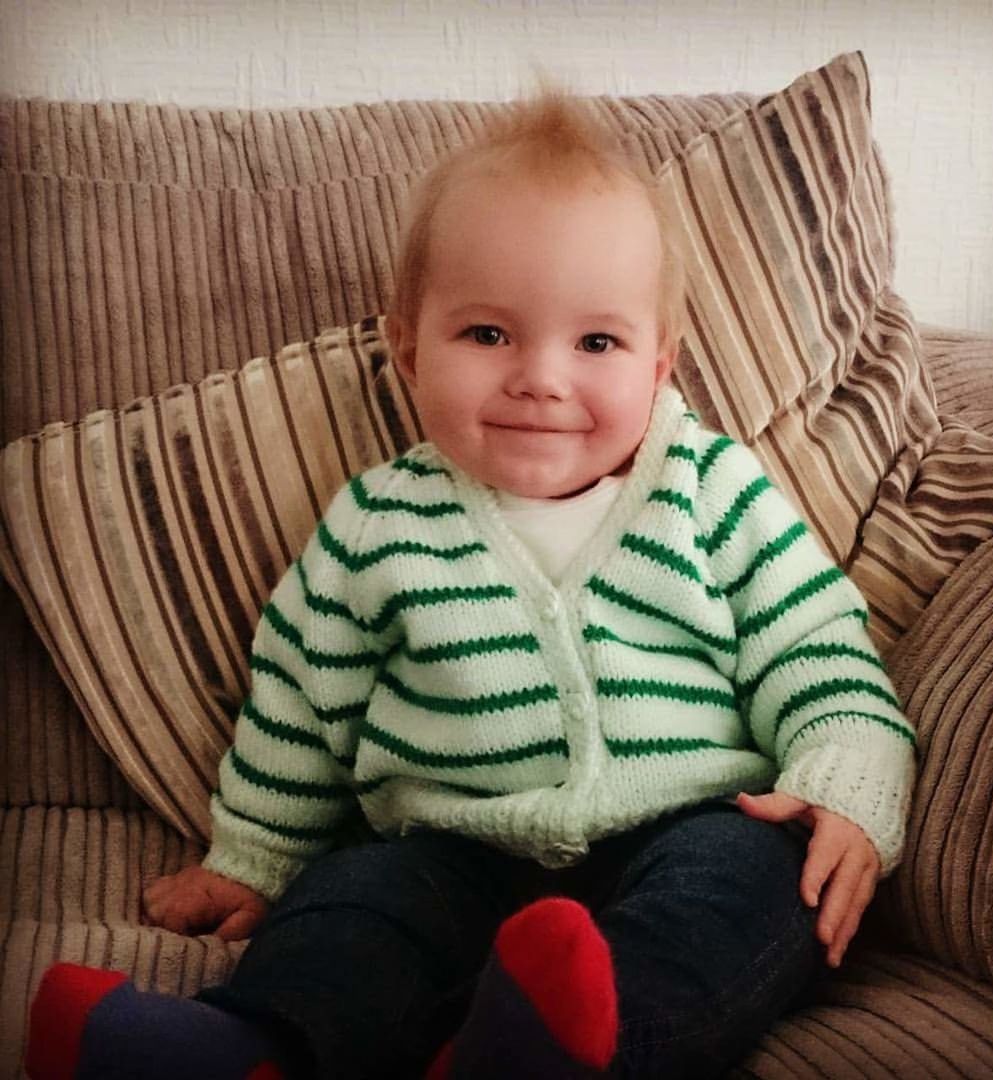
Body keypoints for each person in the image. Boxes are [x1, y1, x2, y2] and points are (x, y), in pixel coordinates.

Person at [25, 91, 916, 1080]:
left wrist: (844, 790)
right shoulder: (376, 524)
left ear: (662, 364)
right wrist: (252, 860)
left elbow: (819, 652)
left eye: (597, 342)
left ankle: (571, 1046)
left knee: (757, 882)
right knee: (357, 905)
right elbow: (297, 702)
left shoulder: (714, 490)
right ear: (407, 349)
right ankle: (253, 1045)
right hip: (450, 848)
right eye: (488, 335)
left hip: (688, 827)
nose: (540, 376)